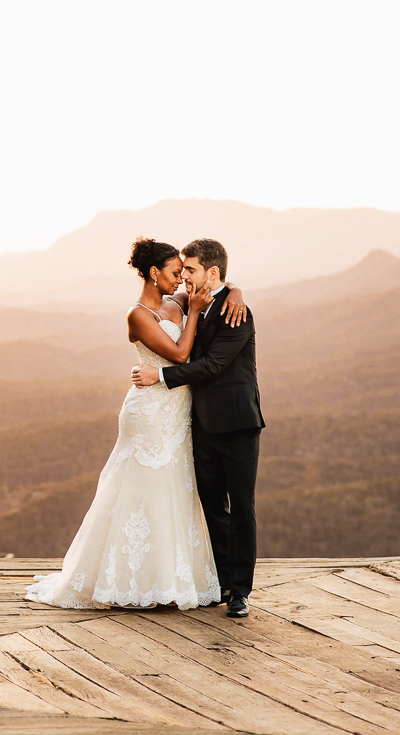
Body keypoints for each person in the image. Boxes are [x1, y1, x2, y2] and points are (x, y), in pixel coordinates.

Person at [25, 237, 246, 610]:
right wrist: (193, 314)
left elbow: (214, 284)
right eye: (175, 273)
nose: (180, 280)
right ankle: (126, 580)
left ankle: (168, 579)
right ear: (154, 273)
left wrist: (235, 289)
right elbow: (179, 354)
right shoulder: (139, 315)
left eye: (183, 272)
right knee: (143, 487)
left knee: (175, 487)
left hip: (178, 412)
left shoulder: (174, 302)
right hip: (149, 412)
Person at [130, 238, 264, 618]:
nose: (184, 276)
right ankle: (220, 582)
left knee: (241, 508)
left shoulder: (238, 312)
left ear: (213, 273)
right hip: (198, 424)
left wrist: (160, 375)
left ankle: (239, 592)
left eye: (190, 269)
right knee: (211, 507)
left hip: (238, 423)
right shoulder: (192, 302)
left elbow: (211, 366)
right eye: (182, 269)